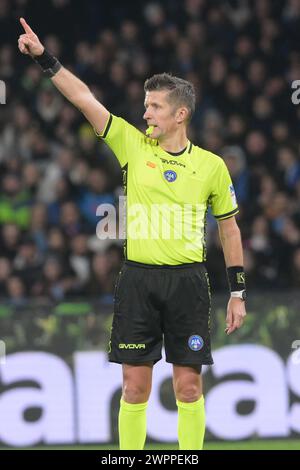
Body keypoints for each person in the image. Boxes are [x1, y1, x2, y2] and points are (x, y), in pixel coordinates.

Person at [18, 18, 247, 450]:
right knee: (134, 389)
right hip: (138, 281)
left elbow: (230, 228)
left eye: (154, 107)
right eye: (145, 106)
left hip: (189, 284)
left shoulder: (212, 166)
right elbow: (84, 99)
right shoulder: (132, 144)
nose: (145, 114)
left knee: (189, 390)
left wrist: (238, 292)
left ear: (180, 114)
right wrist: (46, 60)